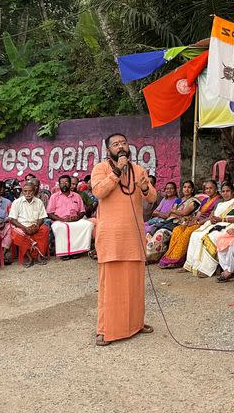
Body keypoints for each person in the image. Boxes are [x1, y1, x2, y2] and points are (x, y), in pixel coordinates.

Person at [91, 132, 158, 346]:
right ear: (108, 149)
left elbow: (152, 198)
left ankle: (135, 324)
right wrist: (117, 171)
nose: (120, 146)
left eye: (123, 143)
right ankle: (106, 329)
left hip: (134, 235)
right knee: (110, 285)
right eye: (115, 144)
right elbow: (99, 192)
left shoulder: (139, 170)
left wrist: (145, 187)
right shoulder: (100, 169)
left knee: (135, 283)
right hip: (111, 236)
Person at [183, 182, 234, 277]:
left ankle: (206, 269)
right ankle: (191, 264)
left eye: (227, 191)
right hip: (217, 223)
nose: (225, 193)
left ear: (232, 192)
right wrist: (212, 218)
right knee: (195, 234)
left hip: (231, 225)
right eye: (223, 191)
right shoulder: (220, 203)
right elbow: (213, 215)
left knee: (210, 237)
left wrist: (221, 219)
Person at [158, 180, 221, 269]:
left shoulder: (218, 200)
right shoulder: (205, 200)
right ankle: (170, 257)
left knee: (187, 233)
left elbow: (211, 217)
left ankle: (178, 260)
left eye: (211, 188)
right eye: (207, 188)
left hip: (206, 222)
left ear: (216, 189)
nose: (208, 190)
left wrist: (197, 222)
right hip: (197, 221)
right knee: (177, 230)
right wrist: (191, 220)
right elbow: (198, 214)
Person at [48, 175, 94, 260]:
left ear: (70, 184)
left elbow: (82, 211)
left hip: (75, 220)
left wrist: (77, 218)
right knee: (59, 227)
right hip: (60, 220)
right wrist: (62, 219)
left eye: (66, 182)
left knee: (88, 224)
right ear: (59, 184)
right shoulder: (54, 196)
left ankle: (77, 251)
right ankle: (64, 252)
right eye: (61, 183)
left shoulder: (77, 196)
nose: (64, 184)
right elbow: (50, 213)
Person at [9, 183, 50, 267]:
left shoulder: (39, 202)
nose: (28, 193)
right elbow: (12, 219)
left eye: (30, 191)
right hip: (21, 226)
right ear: (22, 192)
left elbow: (42, 217)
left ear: (34, 191)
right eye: (25, 191)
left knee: (45, 229)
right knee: (17, 234)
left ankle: (39, 256)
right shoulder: (17, 202)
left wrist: (37, 226)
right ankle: (28, 257)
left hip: (35, 225)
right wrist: (24, 228)